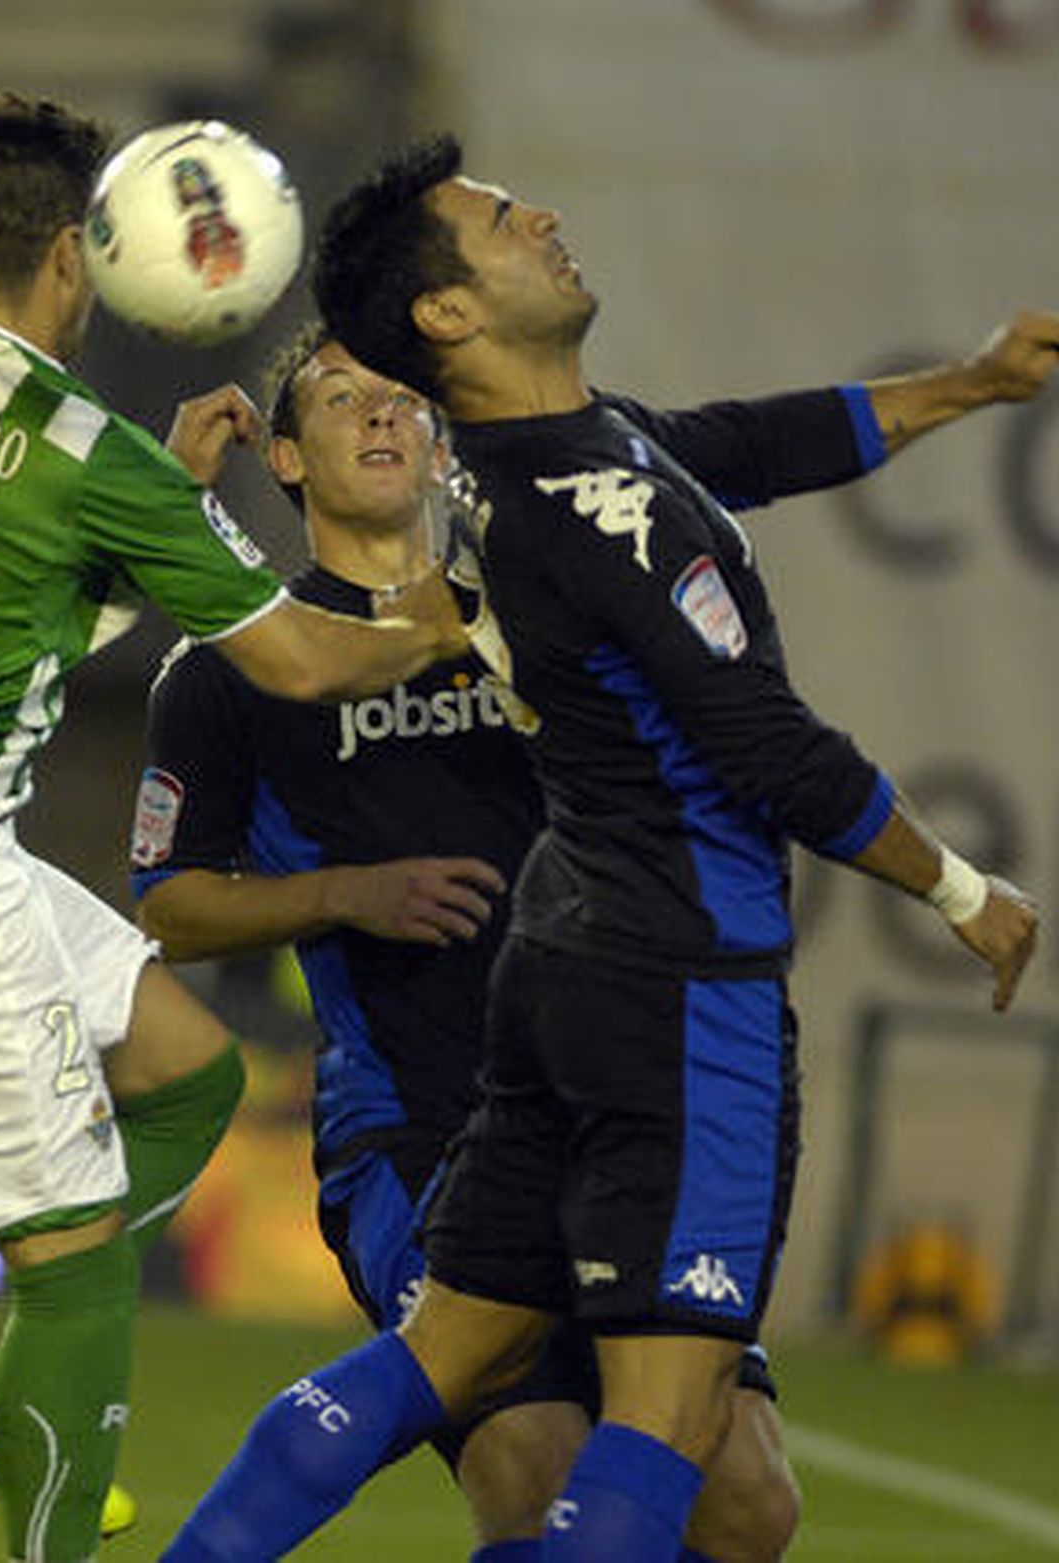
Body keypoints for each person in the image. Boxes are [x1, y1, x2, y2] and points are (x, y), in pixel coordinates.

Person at [161, 135, 1059, 1562]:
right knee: (646, 1430)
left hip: (556, 973)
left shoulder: (534, 466)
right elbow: (765, 744)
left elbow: (754, 444)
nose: (541, 218)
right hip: (678, 985)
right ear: (448, 313)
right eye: (501, 219)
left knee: (532, 1400)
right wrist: (959, 886)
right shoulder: (595, 517)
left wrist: (970, 383)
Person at [0, 97, 465, 1563]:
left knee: (188, 1076)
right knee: (75, 1272)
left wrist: (156, 491)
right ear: (76, 254)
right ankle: (42, 1486)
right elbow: (301, 663)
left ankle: (16, 1404)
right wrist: (443, 623)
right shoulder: (81, 451)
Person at [133, 322, 824, 1561]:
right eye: (341, 399)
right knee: (529, 1463)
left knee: (748, 1504)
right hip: (417, 1121)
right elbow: (169, 907)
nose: (381, 415)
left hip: (612, 1099)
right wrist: (347, 893)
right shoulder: (231, 674)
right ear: (285, 459)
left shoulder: (540, 622)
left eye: (402, 396)